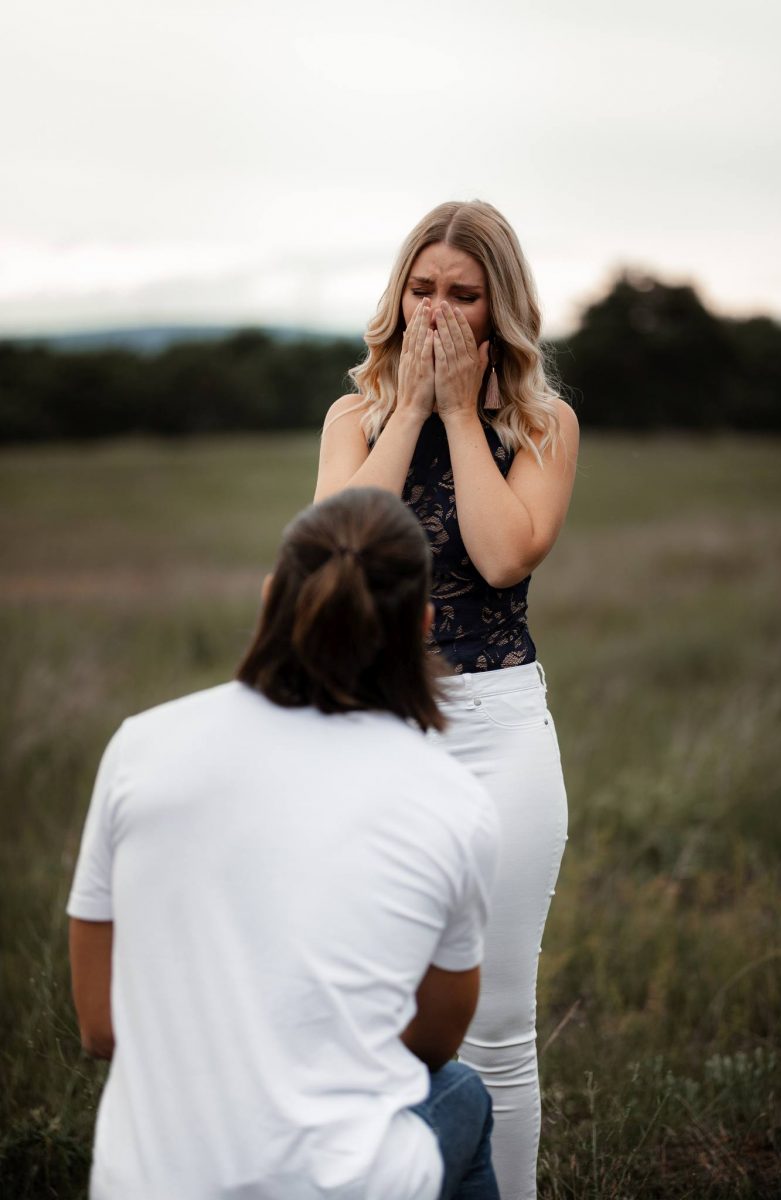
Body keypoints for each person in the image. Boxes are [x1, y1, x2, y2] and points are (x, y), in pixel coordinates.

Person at [67, 487, 502, 1200]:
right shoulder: (452, 800)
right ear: (423, 624)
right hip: (338, 1184)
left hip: (145, 1182)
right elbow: (430, 1043)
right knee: (461, 1094)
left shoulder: (141, 746)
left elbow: (100, 1026)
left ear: (271, 598)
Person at [315, 200, 579, 1200]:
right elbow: (338, 552)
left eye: (461, 296)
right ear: (397, 298)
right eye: (420, 290)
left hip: (496, 730)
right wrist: (414, 412)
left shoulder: (544, 424)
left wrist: (463, 416)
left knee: (499, 1020)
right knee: (369, 1013)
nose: (436, 312)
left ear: (497, 309)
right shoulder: (355, 417)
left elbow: (505, 551)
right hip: (369, 730)